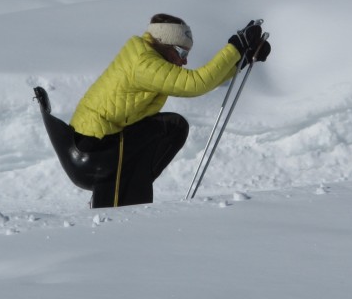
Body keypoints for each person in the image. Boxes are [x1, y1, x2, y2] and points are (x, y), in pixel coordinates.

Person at [69, 14, 270, 208]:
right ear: (165, 44)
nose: (184, 61)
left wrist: (240, 61)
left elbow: (205, 83)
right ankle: (120, 196)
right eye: (182, 53)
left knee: (173, 127)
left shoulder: (145, 54)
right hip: (94, 146)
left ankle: (130, 190)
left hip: (97, 138)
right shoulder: (145, 63)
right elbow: (196, 84)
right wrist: (236, 46)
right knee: (171, 128)